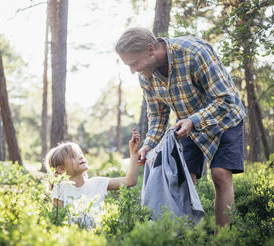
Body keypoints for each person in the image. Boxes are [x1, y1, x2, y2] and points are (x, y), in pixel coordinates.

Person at [115, 27, 246, 229]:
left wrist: (194, 120)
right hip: (187, 125)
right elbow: (158, 114)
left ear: (151, 49)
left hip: (224, 118)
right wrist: (148, 145)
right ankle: (184, 235)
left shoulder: (194, 53)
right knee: (182, 178)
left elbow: (225, 99)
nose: (133, 71)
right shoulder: (145, 76)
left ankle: (224, 242)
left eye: (134, 63)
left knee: (220, 175)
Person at [46, 129, 140, 228]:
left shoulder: (97, 182)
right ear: (61, 169)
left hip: (99, 238)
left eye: (80, 154)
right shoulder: (60, 189)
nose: (81, 157)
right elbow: (57, 221)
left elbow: (130, 181)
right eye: (73, 156)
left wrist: (133, 153)